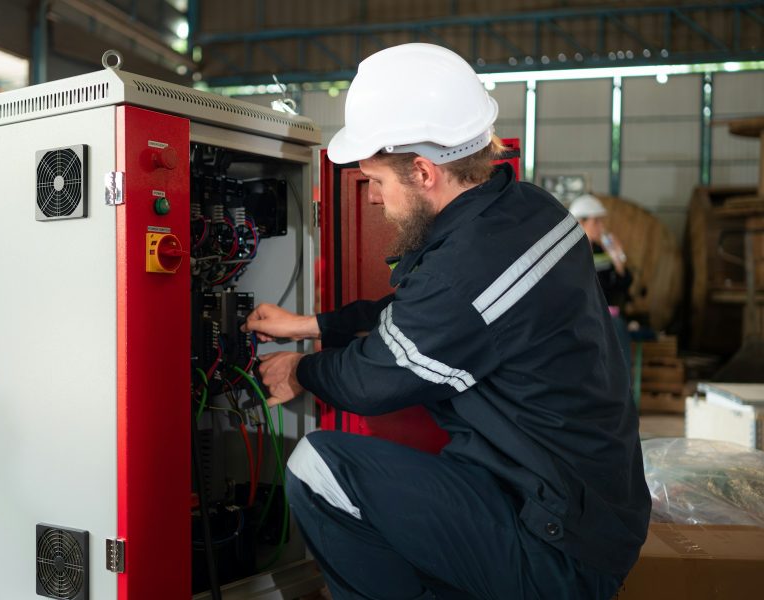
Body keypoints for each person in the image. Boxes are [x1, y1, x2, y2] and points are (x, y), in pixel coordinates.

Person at [242, 43, 649, 599]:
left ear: (423, 172)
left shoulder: (465, 269)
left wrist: (301, 371)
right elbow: (432, 314)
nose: (376, 201)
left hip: (556, 543)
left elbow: (372, 378)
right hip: (588, 506)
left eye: (378, 184)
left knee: (317, 466)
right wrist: (312, 323)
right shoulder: (531, 211)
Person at [569, 194, 633, 314]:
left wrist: (617, 257)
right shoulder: (568, 254)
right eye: (596, 221)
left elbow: (623, 284)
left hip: (606, 314)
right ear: (581, 222)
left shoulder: (601, 250)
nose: (601, 226)